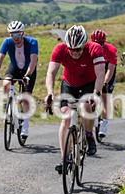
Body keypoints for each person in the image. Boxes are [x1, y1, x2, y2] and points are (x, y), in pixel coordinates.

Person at [45, 25, 105, 173]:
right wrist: (50, 93)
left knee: (86, 107)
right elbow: (51, 73)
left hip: (89, 83)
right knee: (66, 116)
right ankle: (64, 159)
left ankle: (89, 135)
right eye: (71, 49)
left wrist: (96, 92)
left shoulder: (94, 49)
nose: (75, 52)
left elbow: (101, 73)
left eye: (78, 49)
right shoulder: (60, 49)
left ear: (84, 44)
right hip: (69, 84)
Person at [0, 20, 39, 140]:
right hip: (14, 67)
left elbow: (33, 61)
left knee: (26, 97)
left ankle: (25, 126)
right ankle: (10, 104)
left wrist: (28, 75)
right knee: (6, 84)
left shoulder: (32, 42)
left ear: (22, 33)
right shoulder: (7, 42)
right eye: (13, 35)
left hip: (29, 69)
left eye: (18, 34)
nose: (16, 37)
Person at [90, 30, 117, 139]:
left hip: (107, 71)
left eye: (101, 44)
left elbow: (110, 70)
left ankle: (104, 124)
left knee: (105, 98)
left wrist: (105, 81)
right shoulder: (89, 49)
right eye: (96, 44)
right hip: (95, 69)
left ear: (104, 42)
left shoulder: (111, 50)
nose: (99, 46)